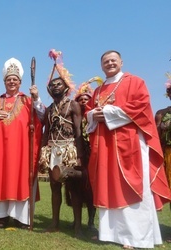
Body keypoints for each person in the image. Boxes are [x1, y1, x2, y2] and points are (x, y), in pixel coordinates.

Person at [85, 50, 171, 249]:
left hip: (128, 143)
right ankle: (110, 233)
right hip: (105, 145)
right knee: (108, 185)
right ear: (101, 66)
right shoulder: (98, 91)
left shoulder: (135, 82)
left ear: (121, 62)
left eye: (113, 60)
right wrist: (92, 115)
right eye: (106, 61)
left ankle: (136, 237)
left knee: (131, 185)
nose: (110, 63)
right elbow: (89, 110)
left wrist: (106, 112)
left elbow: (140, 106)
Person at [0, 58, 44, 229]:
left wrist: (37, 98)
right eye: (9, 79)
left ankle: (20, 217)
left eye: (15, 79)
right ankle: (1, 217)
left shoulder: (27, 100)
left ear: (20, 82)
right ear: (4, 82)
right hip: (0, 148)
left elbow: (42, 116)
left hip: (21, 149)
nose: (12, 82)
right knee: (1, 178)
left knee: (20, 179)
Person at [39, 49, 84, 237]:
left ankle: (77, 227)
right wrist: (43, 153)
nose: (55, 86)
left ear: (65, 87)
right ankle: (55, 223)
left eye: (59, 84)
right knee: (54, 187)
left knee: (74, 189)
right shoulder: (49, 109)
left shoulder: (73, 104)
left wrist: (80, 157)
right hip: (53, 150)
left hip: (69, 149)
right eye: (53, 84)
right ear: (49, 89)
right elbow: (46, 131)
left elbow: (78, 130)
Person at [73, 77, 101, 232]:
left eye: (86, 99)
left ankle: (91, 221)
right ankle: (75, 221)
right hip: (77, 157)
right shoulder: (74, 116)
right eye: (81, 99)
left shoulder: (95, 117)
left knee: (91, 190)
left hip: (93, 156)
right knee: (75, 188)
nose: (83, 101)